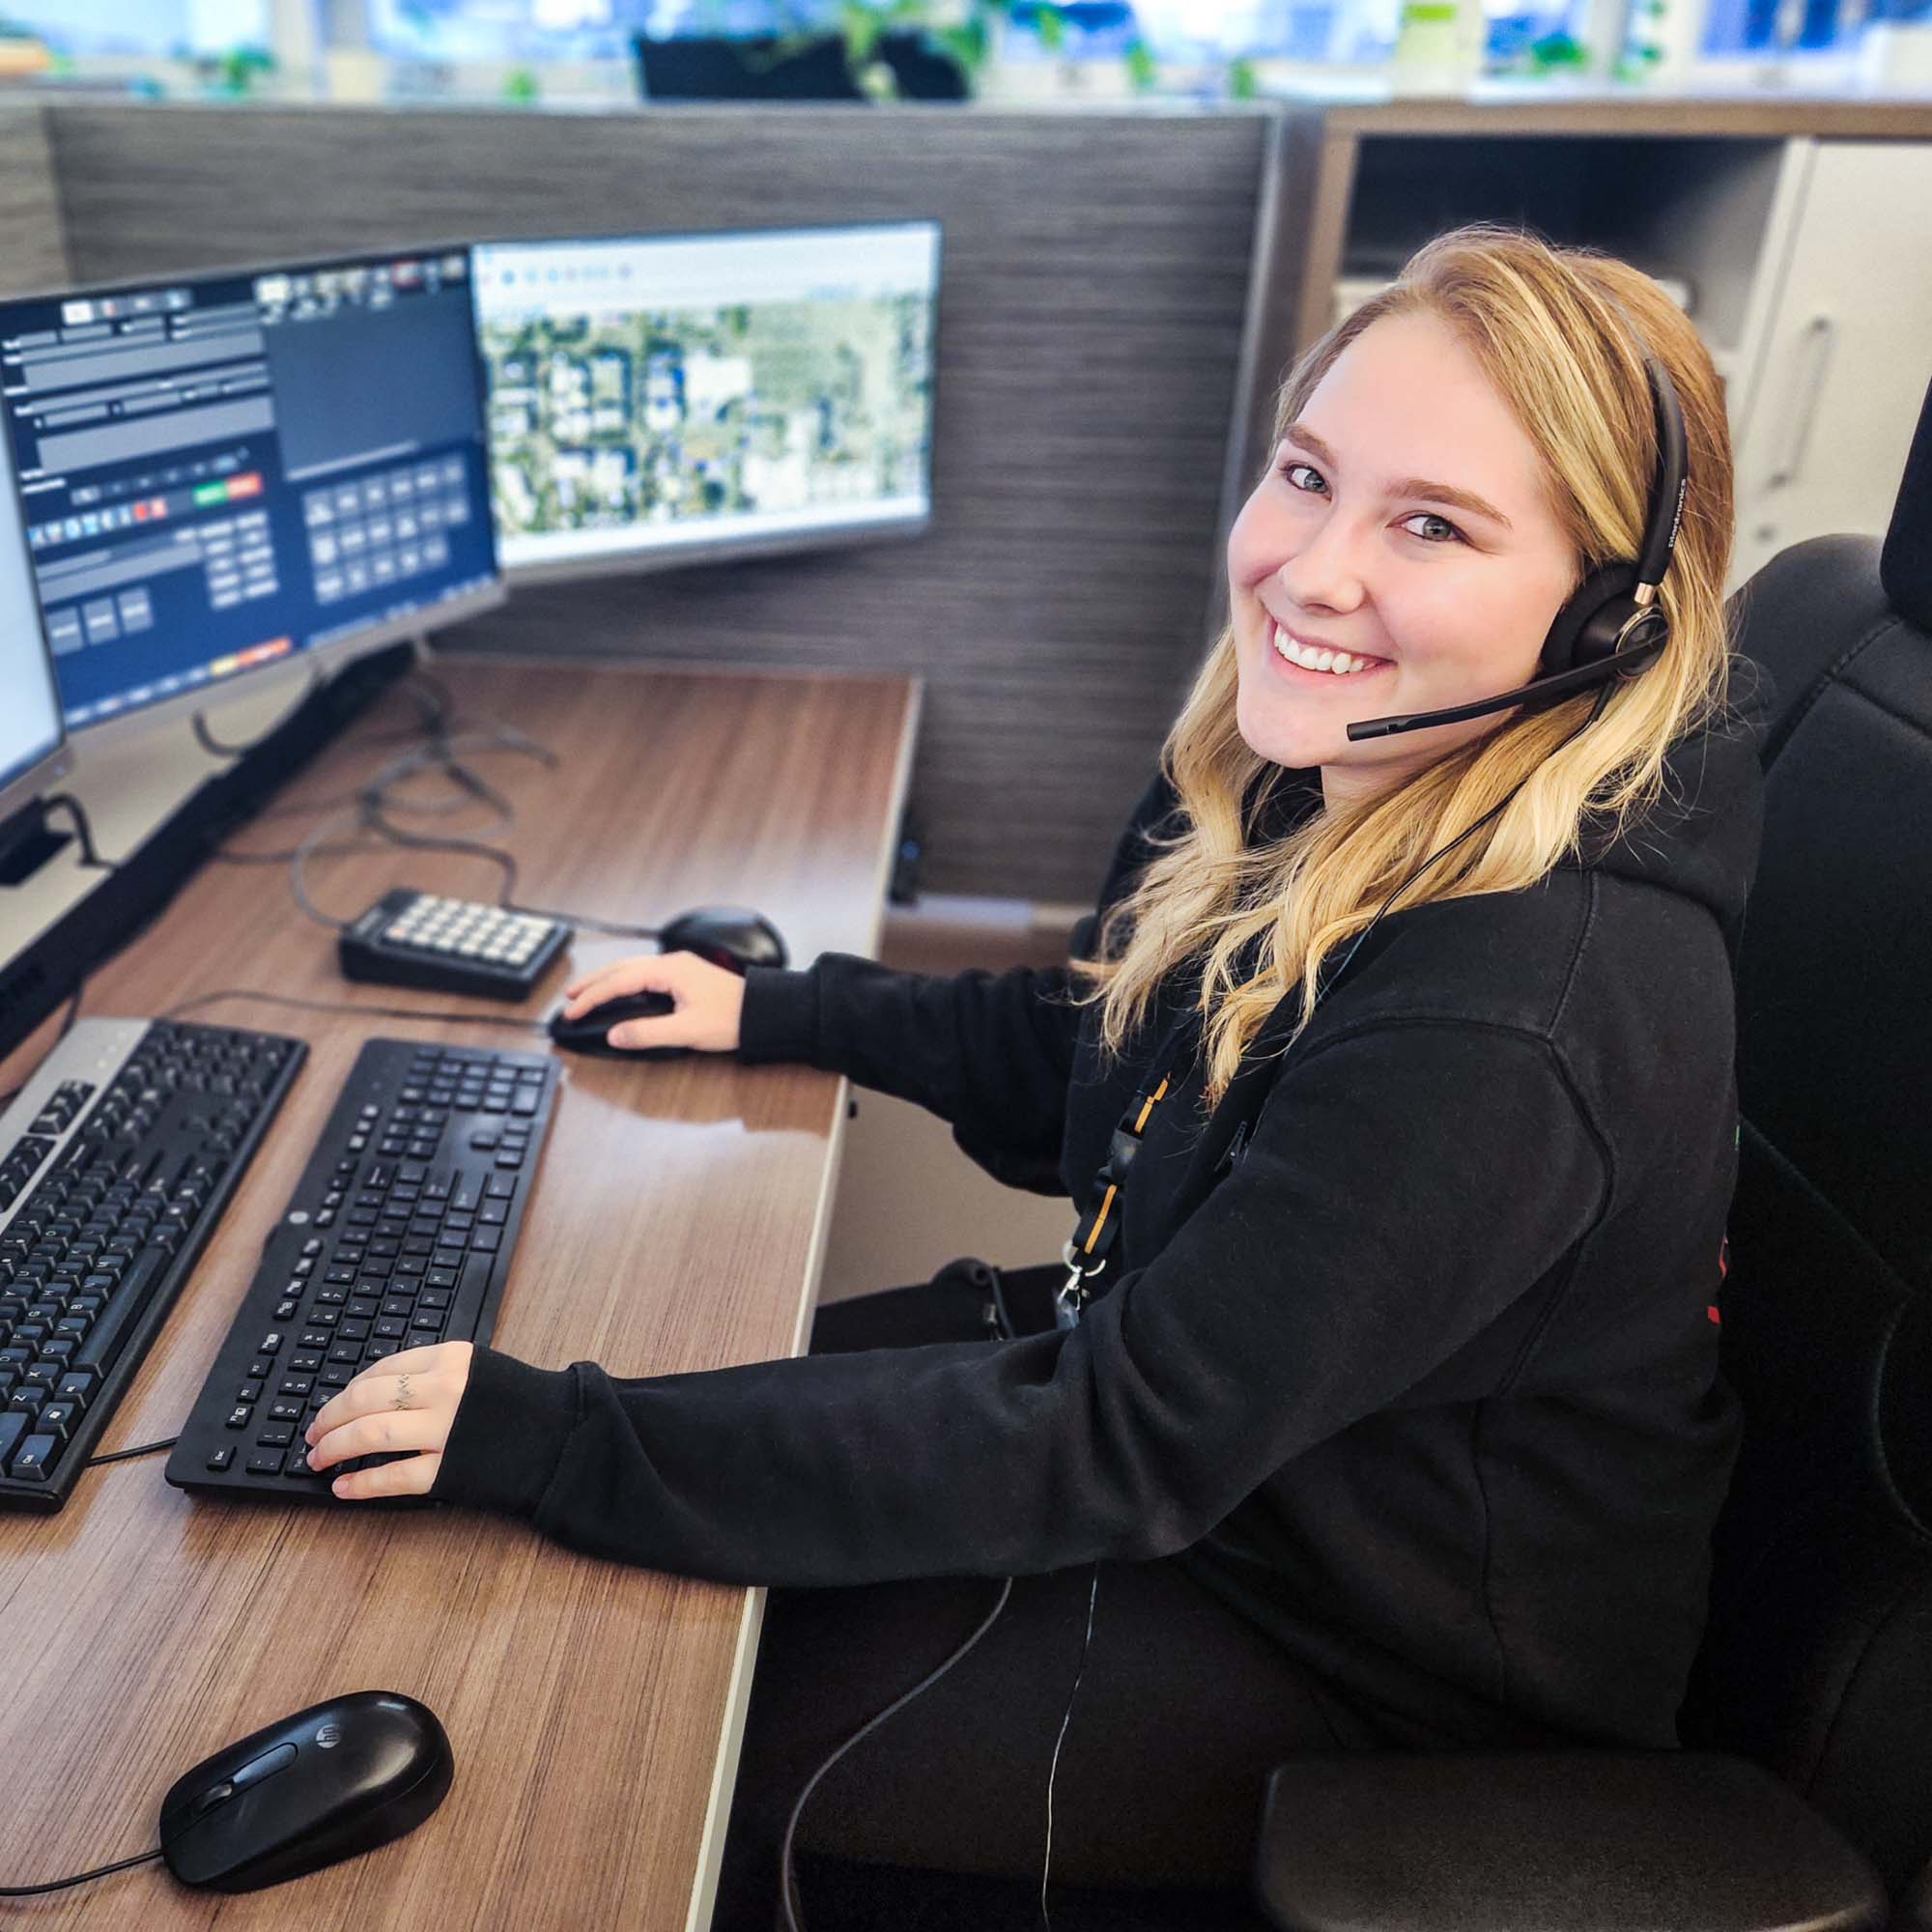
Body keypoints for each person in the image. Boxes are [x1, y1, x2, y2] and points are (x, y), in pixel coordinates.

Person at [303, 224, 1762, 1921]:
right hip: (1221, 1464)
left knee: (612, 1731)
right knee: (640, 1446)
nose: (1310, 572)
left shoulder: (1518, 1012)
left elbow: (1114, 1444)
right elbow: (1111, 1056)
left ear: (1610, 612)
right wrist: (790, 1011)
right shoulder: (1329, 776)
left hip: (1376, 1664)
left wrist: (563, 1443)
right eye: (1307, 478)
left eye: (1430, 525)